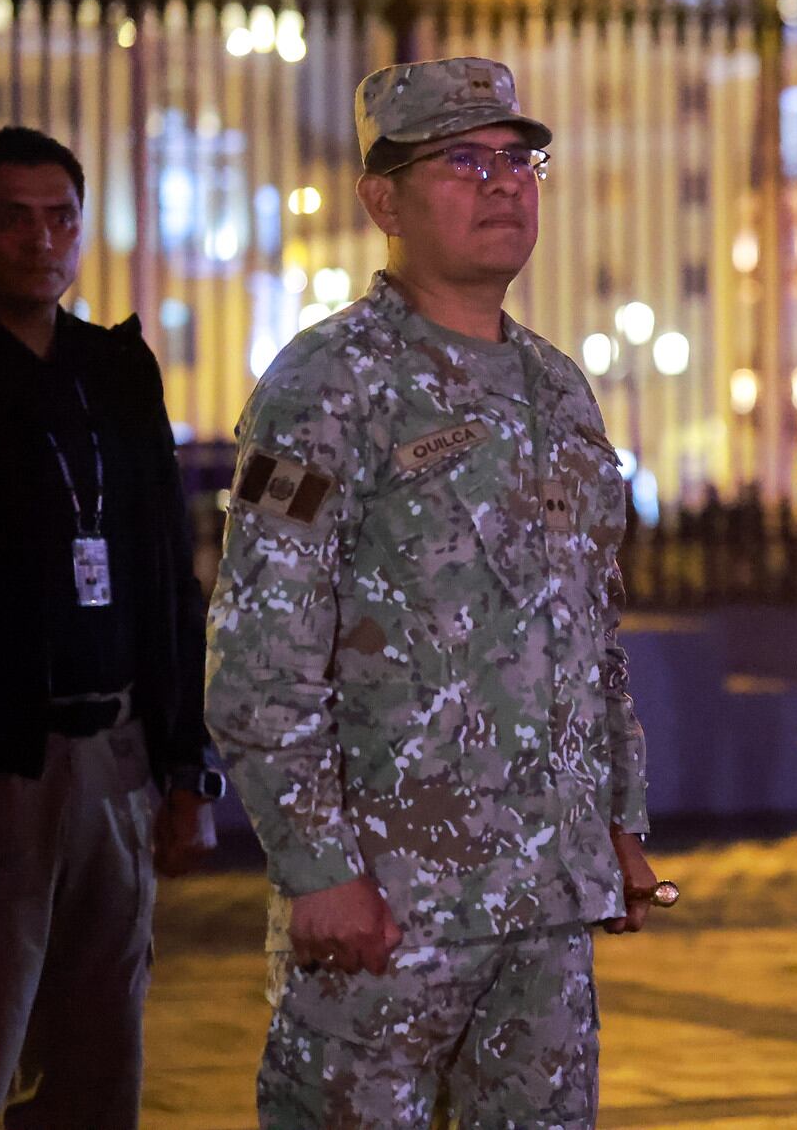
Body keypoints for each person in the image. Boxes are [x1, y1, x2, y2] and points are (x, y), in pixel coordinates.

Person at [205, 58, 658, 1127]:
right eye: (462, 160)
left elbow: (590, 631)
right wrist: (318, 868)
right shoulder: (328, 383)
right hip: (388, 904)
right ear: (382, 200)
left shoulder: (556, 386)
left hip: (544, 907)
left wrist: (617, 825)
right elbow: (262, 648)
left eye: (517, 159)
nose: (502, 183)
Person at [0, 126, 218, 1128]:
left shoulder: (114, 371)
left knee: (102, 1057)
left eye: (60, 217)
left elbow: (167, 580)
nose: (39, 238)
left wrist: (187, 767)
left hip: (116, 754)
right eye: (10, 217)